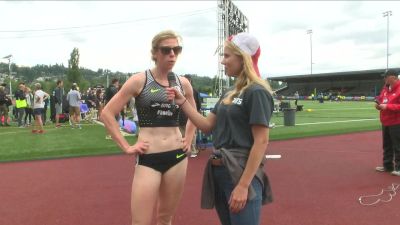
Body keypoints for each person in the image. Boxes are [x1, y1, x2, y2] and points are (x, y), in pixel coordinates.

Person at [167, 32, 274, 225]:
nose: (222, 61)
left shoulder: (257, 92)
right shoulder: (229, 92)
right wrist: (181, 101)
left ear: (243, 58)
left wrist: (243, 185)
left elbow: (262, 140)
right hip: (220, 171)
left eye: (226, 56)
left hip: (240, 171)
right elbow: (207, 126)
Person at [101, 30, 197, 225]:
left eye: (176, 49)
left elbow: (194, 115)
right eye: (166, 50)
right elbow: (107, 114)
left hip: (177, 157)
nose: (172, 54)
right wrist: (126, 146)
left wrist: (188, 138)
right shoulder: (139, 80)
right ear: (155, 53)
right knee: (140, 222)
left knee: (165, 219)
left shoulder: (183, 83)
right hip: (149, 158)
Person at [375, 69, 400, 176]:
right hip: (385, 121)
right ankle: (387, 166)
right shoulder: (385, 88)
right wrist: (378, 105)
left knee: (397, 146)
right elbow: (381, 100)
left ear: (393, 77)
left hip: (397, 121)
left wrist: (387, 106)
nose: (384, 78)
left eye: (386, 76)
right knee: (387, 145)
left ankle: (399, 168)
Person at [178, 74, 202, 157]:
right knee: (192, 134)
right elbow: (199, 105)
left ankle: (183, 150)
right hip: (190, 116)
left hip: (181, 116)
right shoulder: (194, 91)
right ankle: (192, 150)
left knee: (181, 133)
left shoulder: (178, 90)